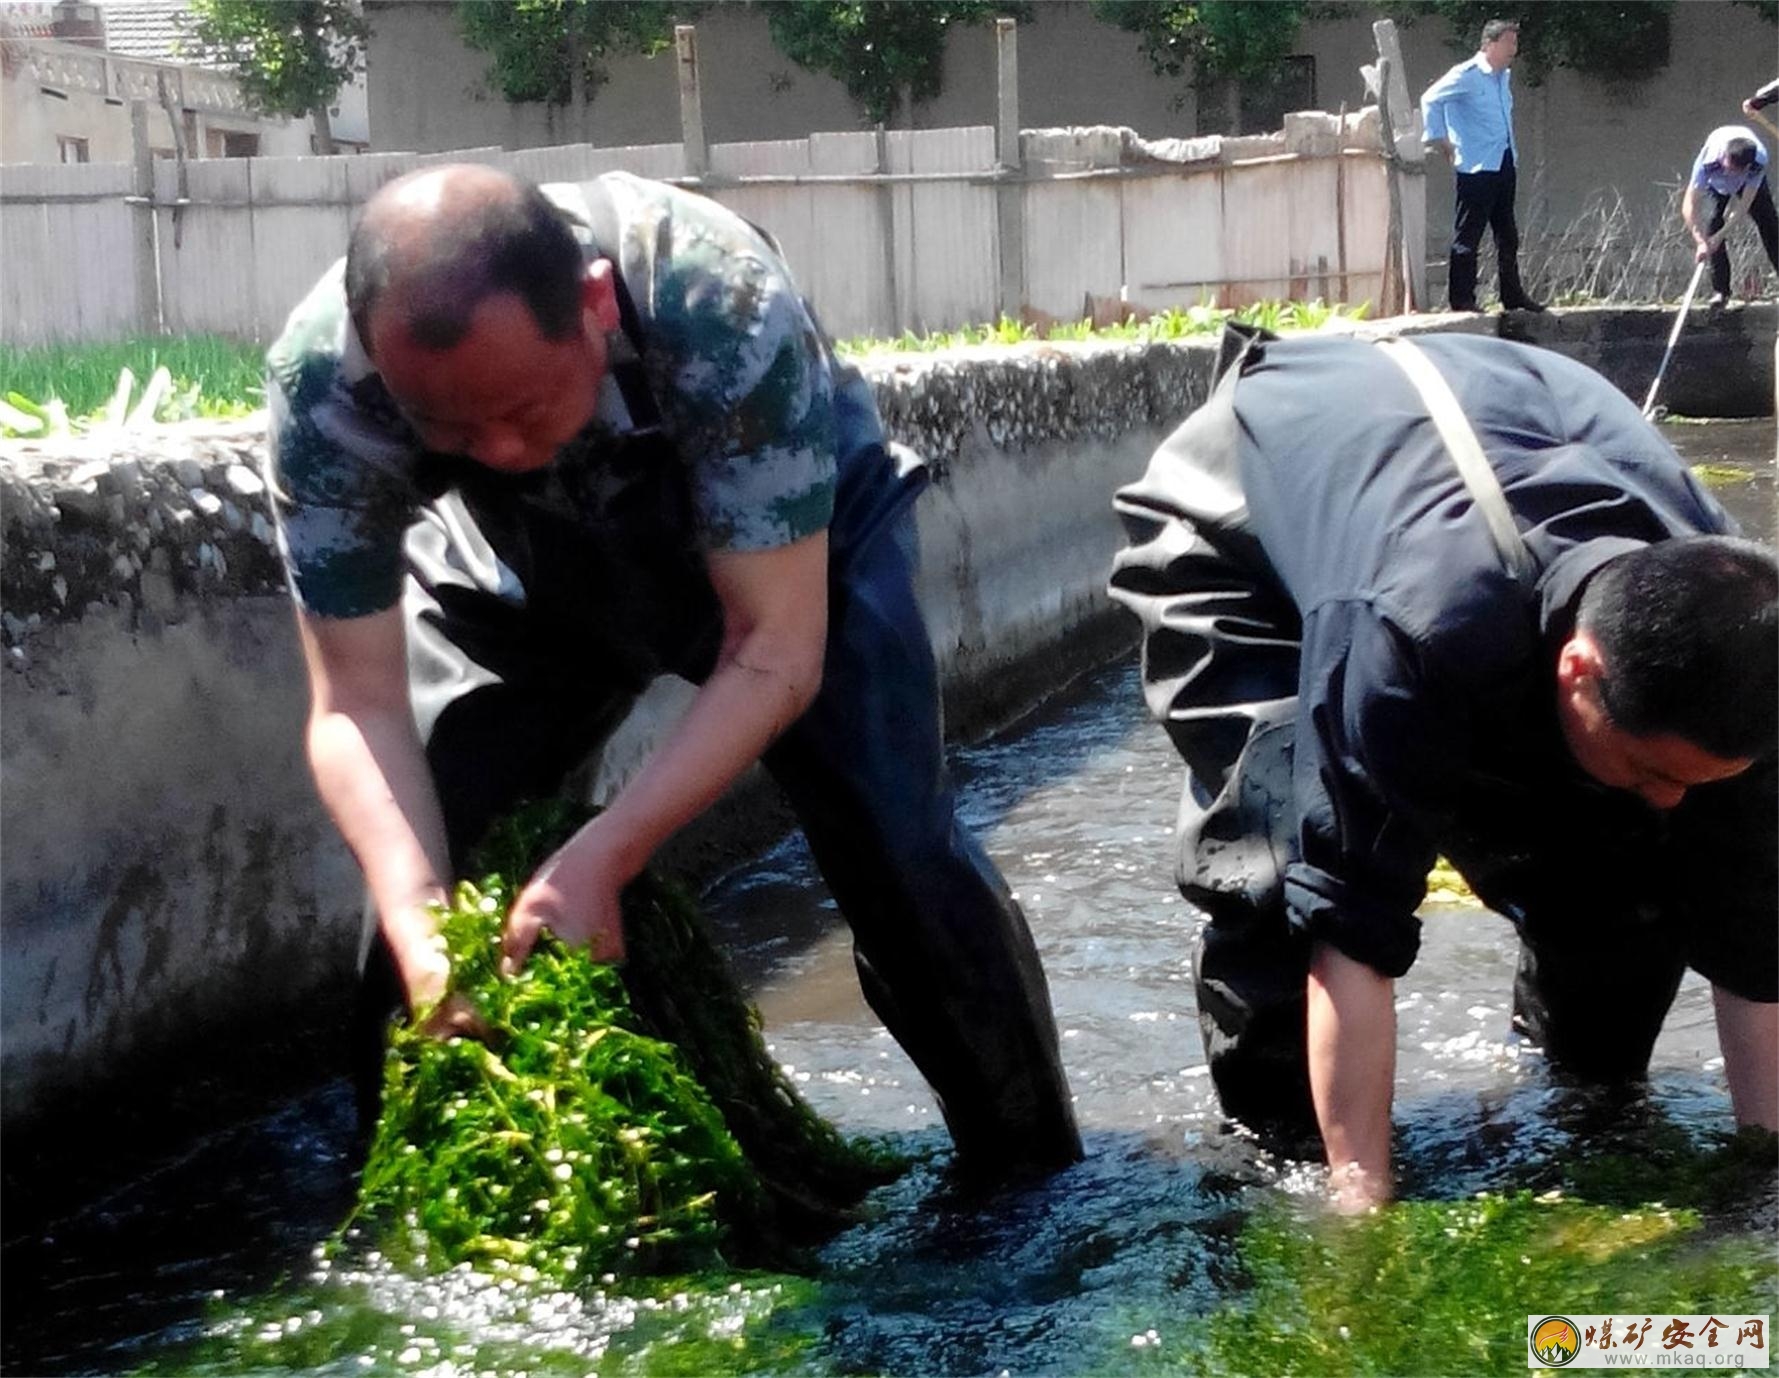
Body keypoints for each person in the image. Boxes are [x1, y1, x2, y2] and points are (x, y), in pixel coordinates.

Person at [264, 163, 1082, 1180]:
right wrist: (419, 912)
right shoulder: (326, 387)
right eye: (452, 431)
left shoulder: (713, 298)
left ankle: (1027, 1181)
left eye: (522, 407)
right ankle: (437, 1195)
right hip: (527, 568)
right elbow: (355, 702)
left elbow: (775, 649)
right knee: (439, 889)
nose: (501, 450)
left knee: (897, 854)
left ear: (596, 305)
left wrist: (610, 852)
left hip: (796, 556)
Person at [1109, 326, 1778, 1211]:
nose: (1671, 797)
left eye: (1697, 777)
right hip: (1246, 519)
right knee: (1279, 863)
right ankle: (1284, 1155)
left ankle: (1581, 1102)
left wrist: (1762, 1177)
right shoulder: (1414, 638)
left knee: (1633, 868)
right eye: (1651, 766)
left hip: (1487, 452)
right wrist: (1360, 1205)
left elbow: (1752, 936)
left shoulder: (1746, 648)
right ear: (1578, 669)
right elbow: (1350, 924)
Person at [1420, 18, 1546, 314]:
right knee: (1469, 236)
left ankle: (1512, 296)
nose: (1514, 49)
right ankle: (1462, 300)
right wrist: (1439, 139)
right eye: (1509, 43)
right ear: (1490, 44)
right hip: (1476, 167)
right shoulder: (1467, 75)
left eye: (1515, 43)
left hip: (1502, 161)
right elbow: (1430, 99)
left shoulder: (1502, 78)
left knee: (1508, 235)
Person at [1681, 126, 1778, 308]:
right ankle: (1721, 292)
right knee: (1711, 226)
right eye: (1727, 166)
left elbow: (1744, 205)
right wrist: (1701, 240)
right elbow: (1689, 204)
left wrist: (1722, 235)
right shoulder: (1708, 160)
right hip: (1715, 185)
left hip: (1746, 185)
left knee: (1770, 226)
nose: (1729, 173)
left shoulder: (1758, 162)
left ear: (1746, 168)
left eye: (1734, 170)